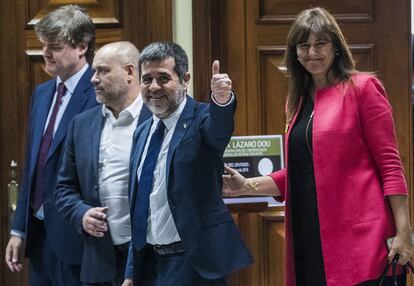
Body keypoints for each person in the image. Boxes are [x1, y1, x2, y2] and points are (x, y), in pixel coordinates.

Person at [222, 7, 414, 286]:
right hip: (310, 238)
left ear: (336, 46)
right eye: (304, 45)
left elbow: (391, 165)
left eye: (320, 43)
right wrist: (245, 186)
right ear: (295, 53)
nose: (312, 52)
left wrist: (405, 232)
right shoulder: (297, 102)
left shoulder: (363, 88)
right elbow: (302, 174)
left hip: (363, 242)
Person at [128, 41, 253, 285]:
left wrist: (222, 100)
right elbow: (140, 205)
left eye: (163, 78)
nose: (153, 87)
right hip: (151, 266)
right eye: (146, 79)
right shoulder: (142, 131)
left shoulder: (202, 119)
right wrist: (131, 271)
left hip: (192, 265)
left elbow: (219, 130)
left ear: (185, 80)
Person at [4, 5, 98, 286]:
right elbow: (32, 166)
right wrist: (19, 229)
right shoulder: (42, 93)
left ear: (82, 47)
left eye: (55, 46)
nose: (46, 53)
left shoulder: (98, 93)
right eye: (44, 45)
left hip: (78, 240)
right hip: (39, 236)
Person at [54, 41, 151, 286]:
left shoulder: (157, 117)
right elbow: (64, 188)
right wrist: (81, 213)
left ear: (130, 72)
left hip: (150, 259)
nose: (94, 79)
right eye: (94, 71)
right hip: (99, 261)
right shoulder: (81, 124)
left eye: (103, 71)